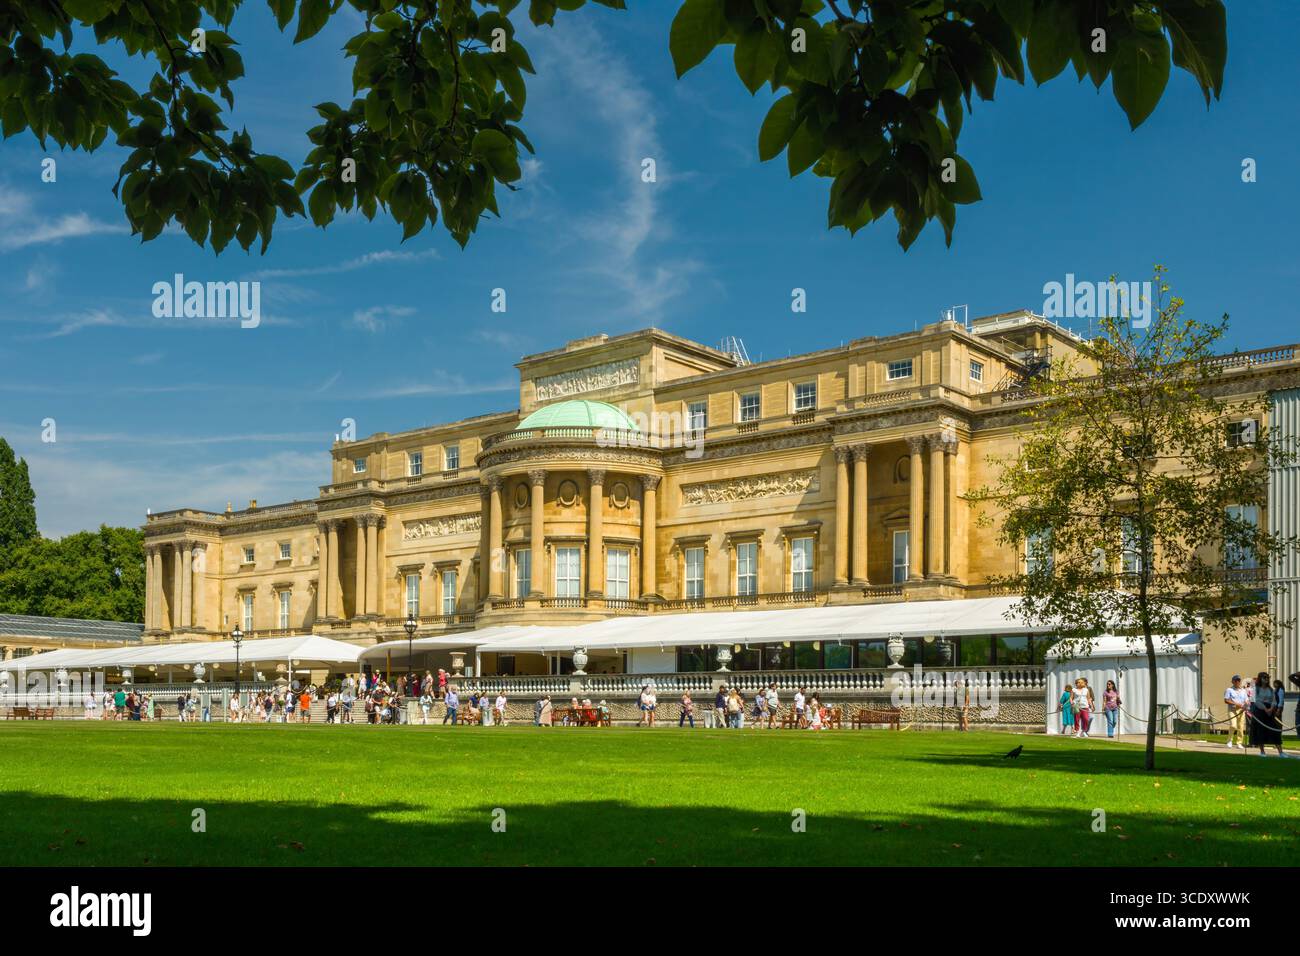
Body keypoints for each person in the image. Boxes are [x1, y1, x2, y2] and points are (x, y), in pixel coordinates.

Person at [1250, 671, 1284, 756]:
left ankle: (1281, 752)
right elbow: (1256, 701)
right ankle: (1262, 751)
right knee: (1260, 731)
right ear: (1260, 678)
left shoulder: (1270, 689)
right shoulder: (1256, 688)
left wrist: (1271, 708)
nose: (1266, 679)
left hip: (1270, 712)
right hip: (1260, 711)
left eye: (1267, 677)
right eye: (1264, 677)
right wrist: (1265, 709)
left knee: (1275, 731)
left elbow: (1274, 701)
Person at [1224, 675, 1248, 749]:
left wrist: (1246, 704)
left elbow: (1246, 699)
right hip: (1232, 710)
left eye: (1239, 680)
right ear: (1233, 681)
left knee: (1241, 727)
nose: (1238, 682)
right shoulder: (1229, 690)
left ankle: (1239, 743)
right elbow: (1226, 700)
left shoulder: (1243, 690)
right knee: (1233, 725)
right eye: (1236, 680)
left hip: (1241, 710)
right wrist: (1236, 704)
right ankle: (1229, 741)